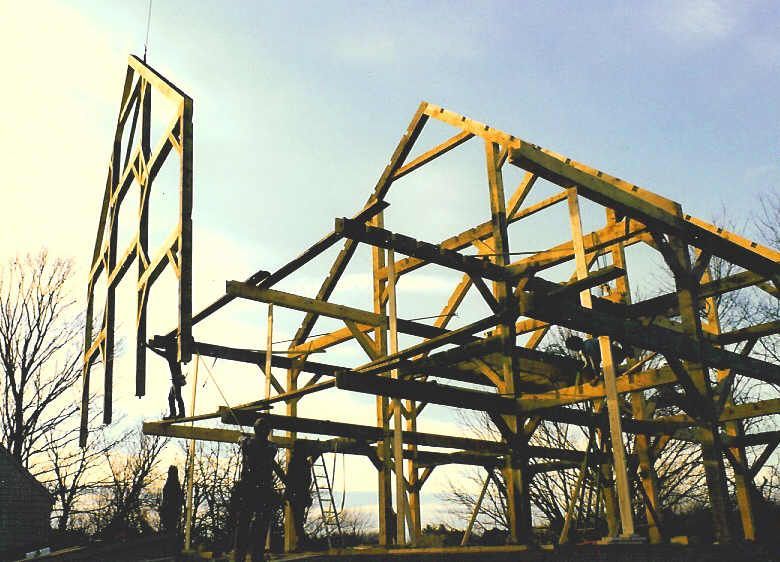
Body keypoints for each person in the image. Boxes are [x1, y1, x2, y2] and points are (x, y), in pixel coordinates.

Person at [234, 417, 278, 562]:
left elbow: (241, 440)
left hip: (249, 489)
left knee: (244, 523)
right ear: (267, 432)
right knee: (261, 524)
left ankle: (239, 556)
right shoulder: (272, 447)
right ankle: (257, 556)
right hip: (264, 490)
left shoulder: (248, 443)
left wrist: (244, 437)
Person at [284, 441, 317, 551]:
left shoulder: (294, 463)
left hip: (297, 495)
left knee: (298, 521)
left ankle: (301, 543)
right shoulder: (305, 463)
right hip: (302, 495)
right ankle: (301, 543)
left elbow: (289, 480)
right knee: (299, 521)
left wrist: (287, 494)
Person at [565, 335, 631, 380]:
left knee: (605, 376)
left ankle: (619, 371)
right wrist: (581, 370)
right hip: (611, 359)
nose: (574, 350)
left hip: (615, 355)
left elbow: (595, 361)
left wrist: (597, 375)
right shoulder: (584, 350)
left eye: (572, 348)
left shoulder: (588, 345)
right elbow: (588, 363)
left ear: (575, 345)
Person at [160, 465, 184, 542]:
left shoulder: (173, 483)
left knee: (171, 528)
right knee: (170, 528)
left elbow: (178, 497)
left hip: (172, 509)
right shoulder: (172, 483)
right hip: (170, 509)